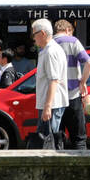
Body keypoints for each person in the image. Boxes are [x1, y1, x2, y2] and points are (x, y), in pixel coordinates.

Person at [53, 19, 90, 150]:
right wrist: (82, 82)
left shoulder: (49, 43)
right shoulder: (73, 41)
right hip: (73, 95)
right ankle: (82, 169)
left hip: (55, 98)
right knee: (79, 138)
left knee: (56, 139)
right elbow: (89, 63)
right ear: (68, 30)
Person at [31, 19, 69, 150]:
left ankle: (52, 168)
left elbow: (54, 80)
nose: (33, 38)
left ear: (42, 33)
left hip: (52, 104)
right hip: (50, 103)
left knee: (49, 140)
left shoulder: (51, 51)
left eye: (34, 34)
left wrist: (47, 106)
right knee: (47, 139)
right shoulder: (48, 50)